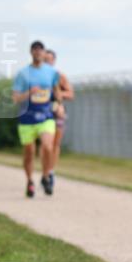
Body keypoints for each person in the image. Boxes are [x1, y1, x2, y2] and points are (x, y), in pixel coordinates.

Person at [13, 41, 62, 197]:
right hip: (27, 118)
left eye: (41, 50)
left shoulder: (52, 72)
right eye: (35, 50)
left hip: (46, 116)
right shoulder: (23, 74)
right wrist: (29, 93)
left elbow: (56, 92)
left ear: (44, 52)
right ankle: (29, 181)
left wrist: (59, 104)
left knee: (48, 146)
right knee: (29, 152)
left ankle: (46, 176)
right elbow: (15, 98)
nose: (38, 52)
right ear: (31, 52)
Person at [43, 48, 74, 183]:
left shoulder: (60, 76)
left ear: (54, 61)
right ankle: (45, 170)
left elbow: (71, 94)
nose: (47, 62)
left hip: (57, 113)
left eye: (49, 60)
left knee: (55, 144)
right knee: (45, 144)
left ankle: (50, 171)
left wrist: (58, 95)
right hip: (41, 114)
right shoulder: (35, 77)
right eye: (45, 60)